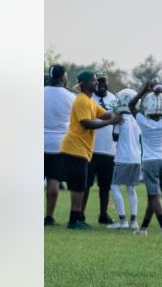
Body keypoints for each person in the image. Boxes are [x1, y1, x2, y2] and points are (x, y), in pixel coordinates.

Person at [57, 70, 125, 229]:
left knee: (81, 185)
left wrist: (122, 110)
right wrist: (111, 122)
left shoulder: (89, 101)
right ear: (85, 84)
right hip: (75, 147)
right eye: (94, 81)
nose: (97, 83)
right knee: (79, 186)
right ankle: (74, 221)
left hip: (81, 149)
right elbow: (86, 123)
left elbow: (105, 114)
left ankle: (78, 219)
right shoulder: (81, 101)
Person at [130, 78, 162, 236]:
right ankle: (143, 229)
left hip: (149, 161)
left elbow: (131, 105)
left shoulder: (143, 122)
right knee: (154, 197)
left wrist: (143, 90)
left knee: (154, 196)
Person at [83, 74, 118, 224]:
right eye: (99, 82)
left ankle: (103, 214)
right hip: (90, 148)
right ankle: (80, 213)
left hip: (109, 149)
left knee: (105, 185)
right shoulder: (88, 98)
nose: (102, 85)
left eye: (104, 82)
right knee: (86, 184)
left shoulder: (114, 99)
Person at [44, 65, 75, 226]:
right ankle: (49, 216)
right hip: (59, 145)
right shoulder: (70, 97)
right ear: (63, 77)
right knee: (54, 182)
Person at [109, 88, 142, 229]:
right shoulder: (138, 119)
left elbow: (115, 137)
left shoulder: (120, 119)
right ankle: (134, 221)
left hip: (123, 158)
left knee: (115, 187)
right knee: (131, 189)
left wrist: (114, 118)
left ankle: (122, 221)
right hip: (136, 158)